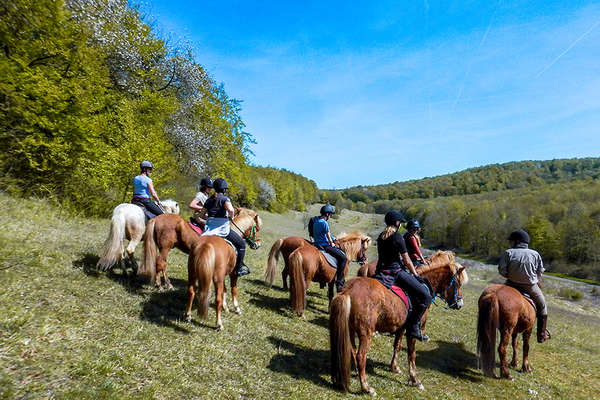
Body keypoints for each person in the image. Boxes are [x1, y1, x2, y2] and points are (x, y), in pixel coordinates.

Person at [373, 210, 432, 341]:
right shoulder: (397, 237)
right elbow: (407, 260)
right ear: (397, 222)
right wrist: (415, 274)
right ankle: (413, 328)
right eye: (400, 222)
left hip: (380, 271)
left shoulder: (381, 236)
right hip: (395, 272)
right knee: (425, 296)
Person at [499, 229, 551, 343]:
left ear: (517, 242)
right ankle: (541, 334)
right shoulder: (535, 254)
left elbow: (502, 271)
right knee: (542, 305)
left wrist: (511, 275)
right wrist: (533, 278)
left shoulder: (508, 252)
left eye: (511, 241)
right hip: (530, 286)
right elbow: (539, 272)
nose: (510, 243)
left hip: (510, 284)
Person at [198, 178, 250, 276]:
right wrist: (231, 217)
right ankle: (238, 269)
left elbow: (201, 215)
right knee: (242, 244)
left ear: (214, 188)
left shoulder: (209, 200)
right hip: (222, 228)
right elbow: (230, 210)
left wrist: (210, 217)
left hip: (209, 228)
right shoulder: (225, 199)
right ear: (224, 189)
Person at [312, 204, 347, 291]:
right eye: (330, 214)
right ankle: (339, 282)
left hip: (316, 244)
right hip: (325, 246)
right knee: (343, 258)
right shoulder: (325, 223)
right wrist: (333, 244)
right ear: (327, 214)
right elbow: (328, 236)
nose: (330, 216)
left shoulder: (316, 222)